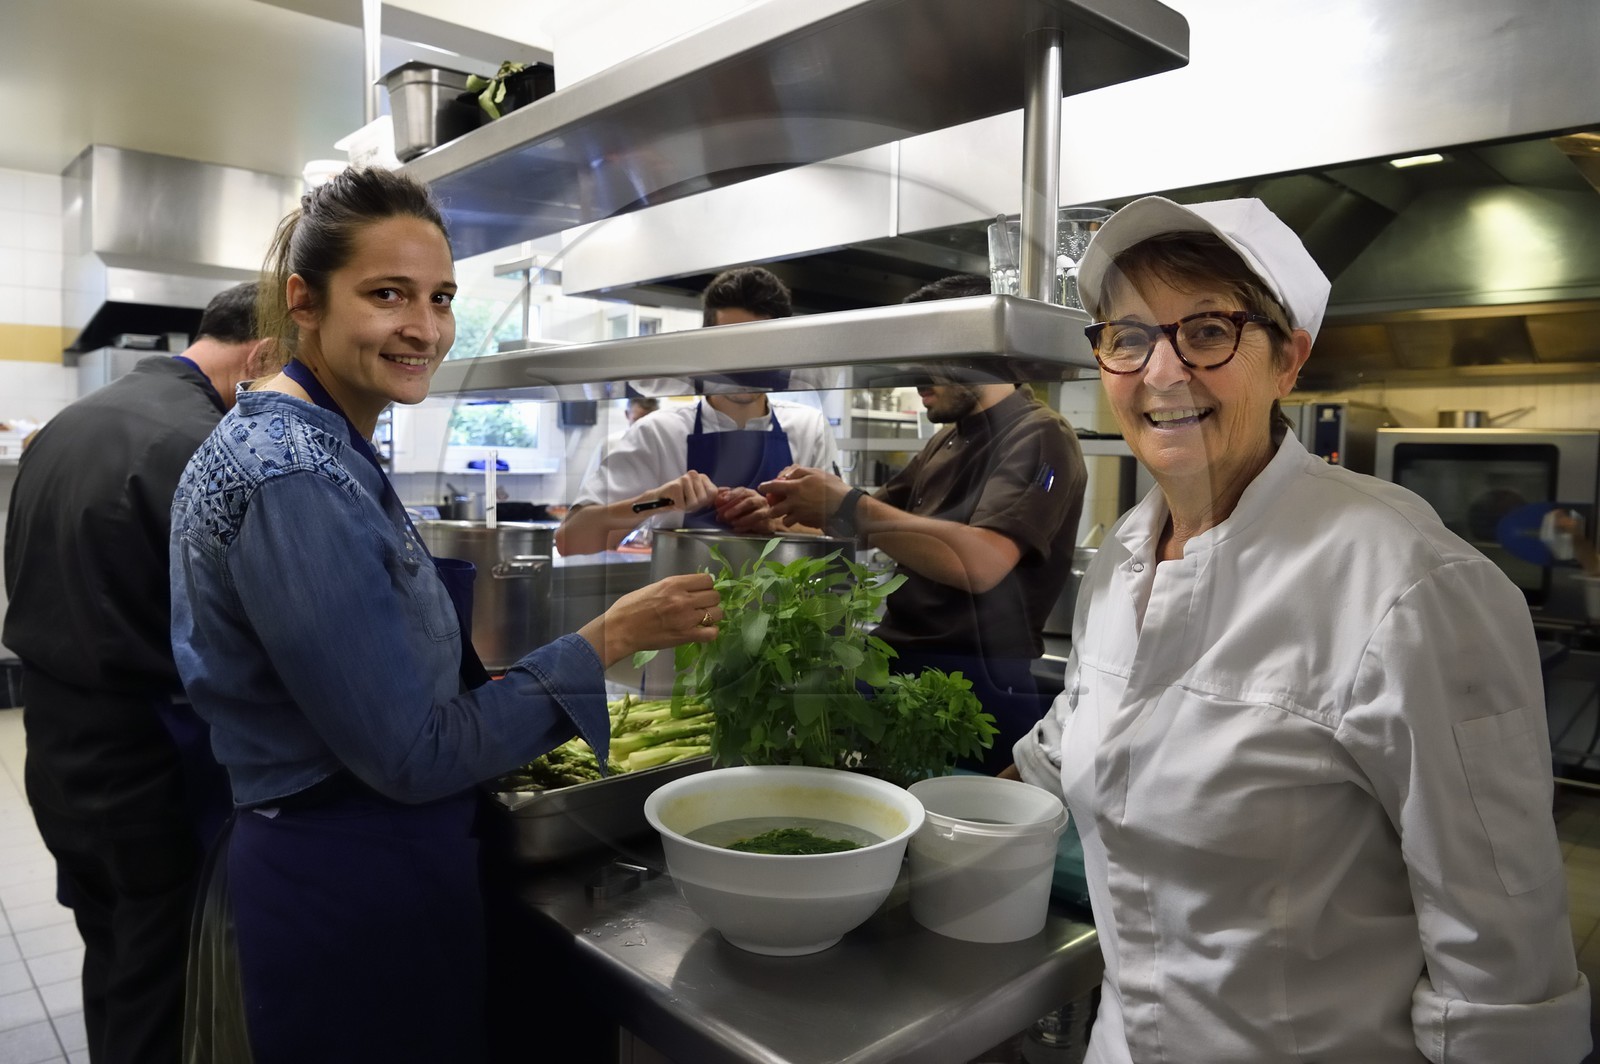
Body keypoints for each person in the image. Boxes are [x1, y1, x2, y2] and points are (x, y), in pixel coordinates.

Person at [1009, 196, 1590, 1062]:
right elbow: (1074, 738)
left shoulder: (1409, 587)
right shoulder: (1129, 551)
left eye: (1207, 331)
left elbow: (1502, 975)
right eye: (1127, 336)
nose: (1162, 373)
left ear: (1289, 359)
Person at [167, 167, 722, 1063]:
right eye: (386, 295)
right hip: (347, 887)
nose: (423, 327)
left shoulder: (318, 440)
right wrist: (611, 636)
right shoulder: (293, 473)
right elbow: (412, 752)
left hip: (368, 866)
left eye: (440, 298)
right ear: (304, 301)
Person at [2, 282, 265, 1064]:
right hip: (147, 766)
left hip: (55, 749)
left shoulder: (68, 425)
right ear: (263, 355)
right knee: (161, 981)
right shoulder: (204, 446)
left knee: (110, 949)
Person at [758, 273, 1087, 770]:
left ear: (975, 350)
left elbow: (981, 562)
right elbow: (864, 521)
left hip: (974, 682)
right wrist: (779, 511)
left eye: (928, 361)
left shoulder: (1039, 435)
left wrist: (845, 503)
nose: (915, 380)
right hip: (898, 666)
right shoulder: (948, 439)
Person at [556, 265, 839, 554]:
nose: (744, 369)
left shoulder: (809, 429)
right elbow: (570, 539)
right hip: (685, 599)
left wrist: (776, 524)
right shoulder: (659, 433)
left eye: (761, 349)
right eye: (730, 348)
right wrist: (657, 500)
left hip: (791, 600)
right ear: (706, 346)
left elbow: (841, 530)